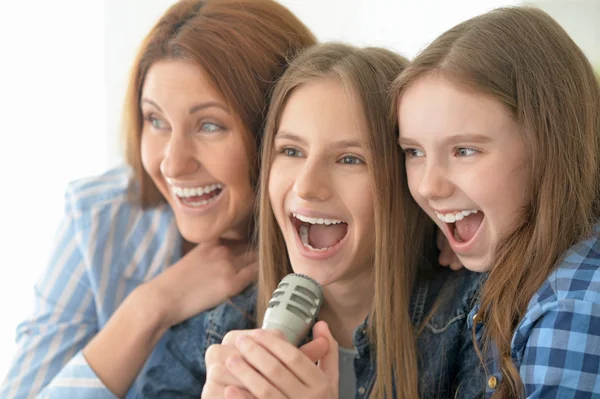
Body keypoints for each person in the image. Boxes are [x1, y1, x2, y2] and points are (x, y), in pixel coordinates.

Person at [0, 1, 316, 398]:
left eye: (209, 125)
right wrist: (150, 306)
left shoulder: (325, 247)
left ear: (278, 128)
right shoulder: (100, 215)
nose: (173, 163)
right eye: (156, 120)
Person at [142, 43, 485, 399]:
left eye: (350, 159)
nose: (306, 186)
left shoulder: (469, 322)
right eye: (291, 151)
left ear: (406, 179)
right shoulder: (219, 327)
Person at [395, 6, 600, 397]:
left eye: (465, 150)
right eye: (414, 152)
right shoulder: (520, 266)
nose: (429, 187)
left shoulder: (573, 310)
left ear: (549, 147)